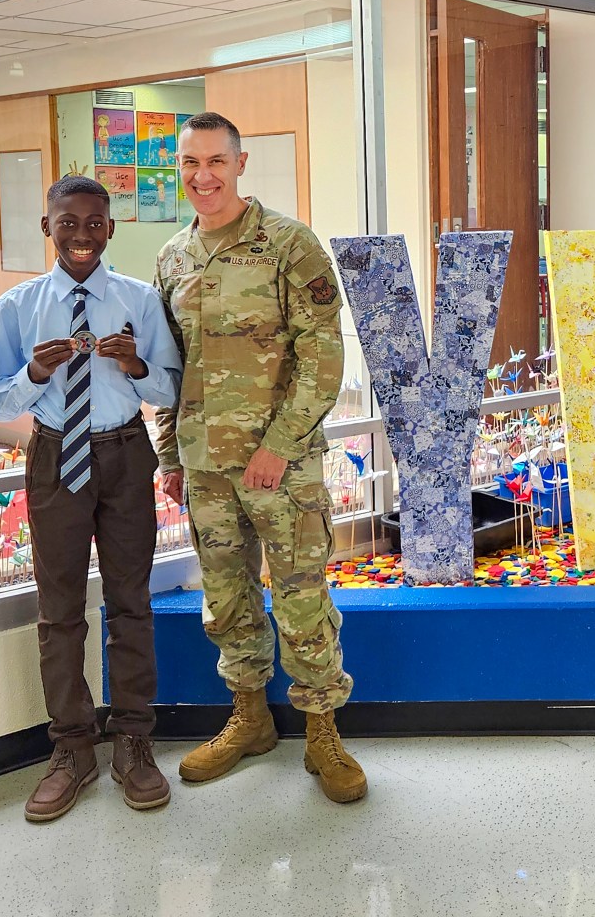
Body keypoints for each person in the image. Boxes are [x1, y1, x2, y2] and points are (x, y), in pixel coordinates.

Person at [154, 111, 366, 803]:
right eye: (190, 163)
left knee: (301, 599)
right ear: (178, 169)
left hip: (283, 468)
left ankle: (322, 734)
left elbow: (322, 359)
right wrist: (170, 456)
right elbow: (166, 368)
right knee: (227, 600)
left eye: (216, 161)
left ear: (240, 165)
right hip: (206, 471)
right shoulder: (172, 259)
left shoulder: (289, 246)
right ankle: (249, 720)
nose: (203, 176)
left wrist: (276, 448)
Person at [0, 175, 182, 821]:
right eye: (68, 224)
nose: (82, 237)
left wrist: (137, 366)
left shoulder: (140, 301)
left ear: (111, 229)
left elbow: (174, 390)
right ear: (48, 228)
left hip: (123, 453)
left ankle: (133, 742)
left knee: (131, 602)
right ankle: (71, 749)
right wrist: (34, 373)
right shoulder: (18, 308)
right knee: (59, 609)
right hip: (54, 454)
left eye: (94, 223)